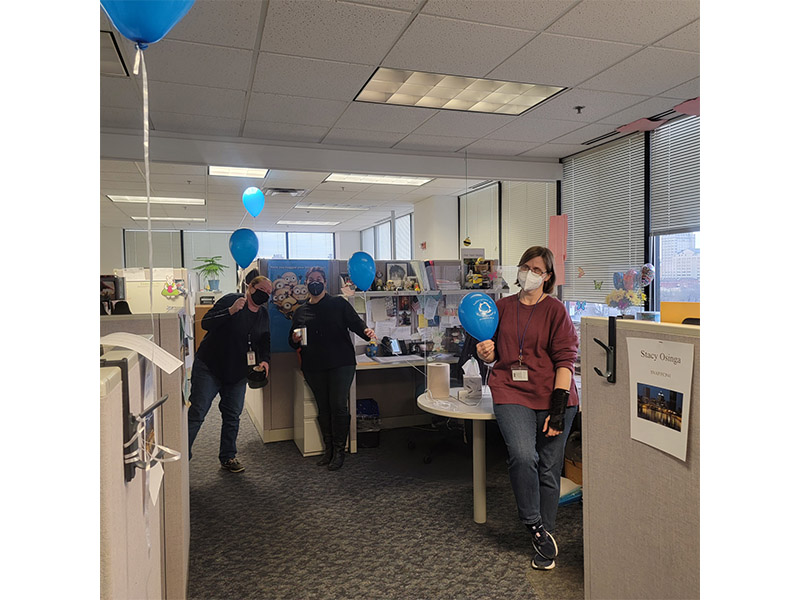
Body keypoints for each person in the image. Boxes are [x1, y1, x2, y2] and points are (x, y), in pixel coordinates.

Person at [475, 246, 579, 571]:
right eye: (525, 266)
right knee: (523, 456)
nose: (529, 273)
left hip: (554, 395)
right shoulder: (501, 307)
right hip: (511, 390)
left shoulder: (555, 310)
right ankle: (534, 525)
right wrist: (486, 353)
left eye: (537, 269)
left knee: (549, 468)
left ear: (547, 277)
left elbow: (566, 359)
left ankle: (544, 537)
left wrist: (559, 407)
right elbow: (493, 354)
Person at [288, 267, 376, 471]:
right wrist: (294, 339)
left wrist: (367, 332)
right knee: (323, 408)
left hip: (341, 363)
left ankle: (339, 451)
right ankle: (328, 449)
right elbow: (293, 342)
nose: (315, 282)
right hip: (313, 365)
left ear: (325, 283)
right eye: (311, 279)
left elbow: (356, 323)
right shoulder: (301, 311)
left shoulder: (338, 304)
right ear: (306, 283)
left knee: (338, 406)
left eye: (318, 279)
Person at [187, 275, 273, 473]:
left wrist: (265, 360)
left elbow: (265, 340)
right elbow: (205, 323)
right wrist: (230, 311)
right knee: (198, 412)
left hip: (238, 372)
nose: (265, 295)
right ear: (251, 287)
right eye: (262, 290)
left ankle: (228, 456)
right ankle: (182, 458)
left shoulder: (263, 314)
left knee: (233, 415)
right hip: (211, 367)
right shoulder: (231, 300)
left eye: (269, 293)